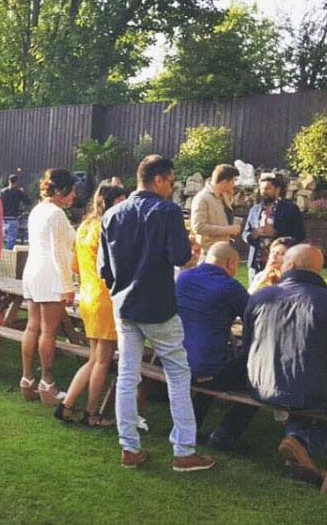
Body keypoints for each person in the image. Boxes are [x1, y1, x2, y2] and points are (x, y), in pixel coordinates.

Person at [98, 154, 215, 471]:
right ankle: (184, 451)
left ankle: (130, 447)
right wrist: (189, 249)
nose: (174, 186)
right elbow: (180, 256)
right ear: (159, 179)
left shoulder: (112, 214)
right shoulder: (167, 211)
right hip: (158, 307)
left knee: (126, 377)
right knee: (178, 375)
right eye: (172, 180)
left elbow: (104, 269)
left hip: (124, 306)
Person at [244, 244, 327, 484]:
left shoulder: (259, 296)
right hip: (310, 392)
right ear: (319, 271)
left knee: (304, 387)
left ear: (289, 266)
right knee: (323, 393)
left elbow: (247, 345)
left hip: (260, 386)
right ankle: (306, 442)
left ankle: (297, 438)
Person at [55, 183, 126, 427]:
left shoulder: (85, 225)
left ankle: (67, 405)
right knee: (102, 361)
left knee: (94, 357)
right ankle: (92, 413)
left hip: (87, 295)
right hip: (105, 298)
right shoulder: (108, 227)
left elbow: (75, 266)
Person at [176, 242, 257, 451]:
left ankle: (191, 427)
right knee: (257, 382)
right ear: (230, 263)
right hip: (205, 368)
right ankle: (226, 434)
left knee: (212, 365)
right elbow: (256, 320)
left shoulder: (183, 278)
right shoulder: (230, 287)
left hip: (175, 362)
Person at [20, 169, 76, 406]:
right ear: (61, 190)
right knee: (48, 331)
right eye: (72, 191)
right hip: (50, 274)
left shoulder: (37, 210)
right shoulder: (56, 214)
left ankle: (27, 379)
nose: (74, 196)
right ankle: (47, 383)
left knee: (33, 326)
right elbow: (58, 253)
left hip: (32, 271)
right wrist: (68, 285)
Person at [243, 173, 305, 285]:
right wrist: (253, 235)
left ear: (277, 190)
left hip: (280, 263)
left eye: (267, 188)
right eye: (261, 188)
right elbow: (245, 233)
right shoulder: (255, 209)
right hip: (256, 262)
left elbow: (299, 234)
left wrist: (276, 233)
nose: (263, 192)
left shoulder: (290, 209)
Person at [191, 164, 241, 261]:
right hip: (209, 254)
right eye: (233, 181)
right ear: (225, 181)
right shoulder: (202, 198)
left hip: (223, 250)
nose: (234, 184)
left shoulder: (223, 195)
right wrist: (228, 230)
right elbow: (198, 227)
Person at [0, 174, 28, 250]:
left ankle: (0, 254)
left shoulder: (3, 192)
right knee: (11, 239)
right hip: (13, 218)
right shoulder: (18, 192)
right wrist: (23, 192)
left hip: (3, 218)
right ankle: (9, 255)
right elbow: (27, 201)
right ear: (16, 182)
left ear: (9, 181)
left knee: (1, 238)